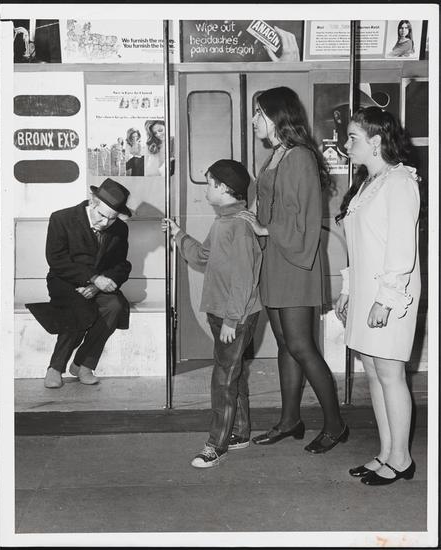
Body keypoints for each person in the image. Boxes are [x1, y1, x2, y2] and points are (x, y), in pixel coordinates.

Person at [237, 86, 347, 454]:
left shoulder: (299, 156)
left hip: (296, 262)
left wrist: (265, 228)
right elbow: (272, 207)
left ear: (277, 116)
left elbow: (306, 219)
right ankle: (290, 421)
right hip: (275, 260)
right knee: (285, 344)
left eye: (259, 113)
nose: (254, 120)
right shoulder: (276, 155)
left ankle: (335, 425)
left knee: (301, 346)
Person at [335, 107, 421, 485]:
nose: (346, 144)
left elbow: (401, 250)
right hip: (367, 291)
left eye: (352, 137)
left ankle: (401, 459)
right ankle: (386, 452)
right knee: (373, 370)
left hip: (390, 294)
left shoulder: (399, 182)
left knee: (390, 373)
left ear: (376, 141)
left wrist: (384, 301)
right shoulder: (368, 184)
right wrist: (349, 290)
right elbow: (359, 246)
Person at [162, 159, 262, 468]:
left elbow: (244, 279)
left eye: (209, 183)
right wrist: (179, 235)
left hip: (235, 316)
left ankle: (216, 445)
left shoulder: (239, 227)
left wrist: (232, 320)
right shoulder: (223, 221)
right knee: (231, 374)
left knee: (222, 380)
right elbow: (203, 256)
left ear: (223, 188)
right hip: (223, 312)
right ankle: (239, 432)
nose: (206, 189)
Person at [27, 178, 132, 389]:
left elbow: (121, 264)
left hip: (98, 283)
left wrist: (97, 285)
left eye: (112, 219)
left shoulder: (120, 228)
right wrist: (92, 278)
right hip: (64, 281)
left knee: (115, 306)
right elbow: (57, 260)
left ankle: (83, 365)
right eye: (102, 215)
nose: (105, 223)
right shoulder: (61, 219)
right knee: (79, 307)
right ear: (93, 202)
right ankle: (55, 368)